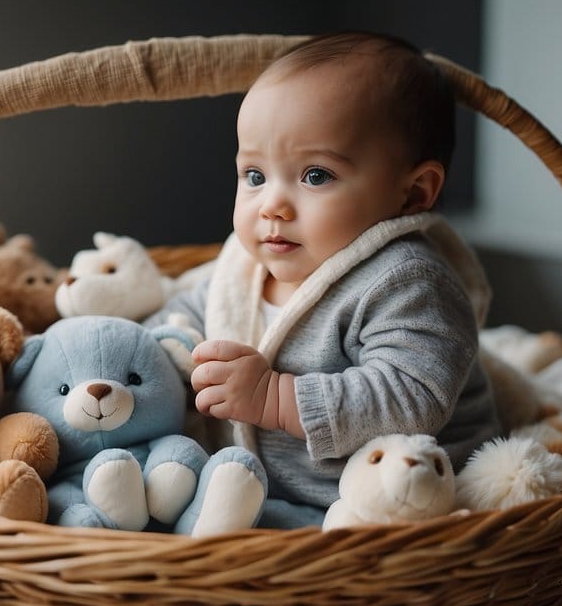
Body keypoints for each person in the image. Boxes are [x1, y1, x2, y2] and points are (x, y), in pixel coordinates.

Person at [151, 31, 501, 528]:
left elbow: (412, 395)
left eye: (315, 175)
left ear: (413, 193)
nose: (271, 204)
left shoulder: (406, 280)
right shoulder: (248, 264)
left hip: (392, 506)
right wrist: (149, 350)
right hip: (270, 492)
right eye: (254, 175)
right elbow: (186, 315)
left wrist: (274, 397)